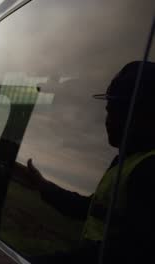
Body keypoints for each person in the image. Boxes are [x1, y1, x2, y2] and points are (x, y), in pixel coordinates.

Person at [27, 61, 155, 263]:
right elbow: (92, 208)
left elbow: (124, 254)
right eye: (107, 109)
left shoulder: (148, 169)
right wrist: (44, 187)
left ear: (142, 113)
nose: (107, 119)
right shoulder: (125, 160)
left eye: (114, 109)